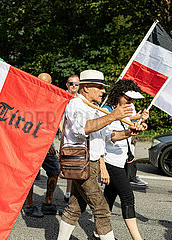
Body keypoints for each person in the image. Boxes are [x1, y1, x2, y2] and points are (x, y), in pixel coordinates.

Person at [57, 70, 146, 240]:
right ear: (86, 88)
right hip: (83, 163)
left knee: (75, 208)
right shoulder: (76, 105)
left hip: (91, 163)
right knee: (102, 209)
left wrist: (129, 132)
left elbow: (109, 136)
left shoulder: (95, 108)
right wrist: (113, 115)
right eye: (99, 87)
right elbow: (83, 129)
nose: (103, 91)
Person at [102, 80, 149, 240]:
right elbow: (111, 136)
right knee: (128, 197)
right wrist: (129, 132)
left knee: (109, 197)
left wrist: (139, 124)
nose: (132, 102)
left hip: (123, 160)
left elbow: (129, 129)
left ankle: (99, 231)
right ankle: (138, 238)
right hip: (110, 160)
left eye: (133, 99)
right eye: (128, 98)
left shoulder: (128, 111)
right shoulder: (106, 111)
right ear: (118, 95)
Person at [24, 73, 60, 217]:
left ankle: (47, 203)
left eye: (47, 83)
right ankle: (29, 205)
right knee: (30, 175)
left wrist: (50, 141)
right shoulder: (30, 98)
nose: (43, 85)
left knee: (55, 170)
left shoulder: (52, 99)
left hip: (47, 142)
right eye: (40, 81)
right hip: (31, 143)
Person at [63, 74, 79, 202]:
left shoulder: (81, 100)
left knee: (76, 165)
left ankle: (73, 192)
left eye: (76, 84)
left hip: (78, 137)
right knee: (67, 166)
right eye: (71, 83)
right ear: (67, 84)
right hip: (65, 136)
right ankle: (68, 191)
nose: (74, 86)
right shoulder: (63, 97)